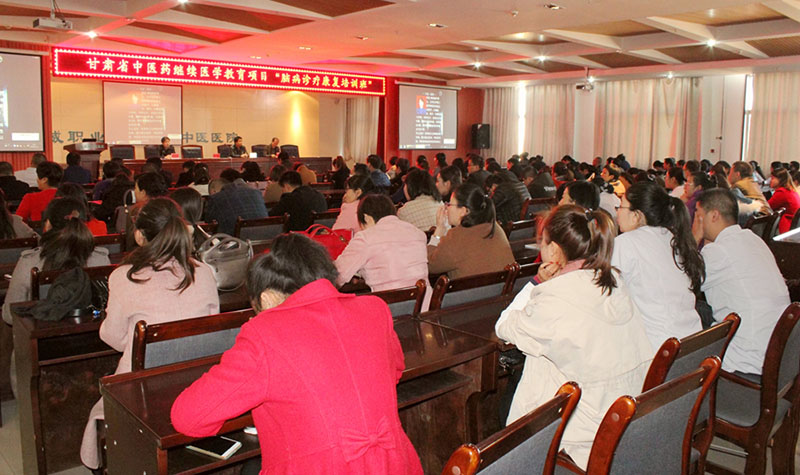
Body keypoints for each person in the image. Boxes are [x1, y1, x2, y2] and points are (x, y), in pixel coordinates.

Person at [170, 233, 423, 474]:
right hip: (394, 463)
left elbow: (188, 418)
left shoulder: (265, 333)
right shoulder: (375, 309)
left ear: (267, 299)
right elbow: (394, 372)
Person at [496, 205, 651, 470]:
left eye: (543, 241)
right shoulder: (612, 280)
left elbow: (504, 325)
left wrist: (536, 283)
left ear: (555, 250)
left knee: (517, 390)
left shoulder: (558, 296)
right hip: (623, 415)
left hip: (582, 430)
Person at [80, 198, 219, 471]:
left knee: (102, 405)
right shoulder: (203, 272)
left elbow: (113, 337)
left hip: (144, 392)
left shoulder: (125, 276)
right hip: (196, 381)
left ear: (140, 235)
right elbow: (211, 325)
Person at [693, 189, 790, 375]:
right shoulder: (753, 239)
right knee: (700, 307)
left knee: (681, 314)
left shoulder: (718, 252)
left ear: (713, 215)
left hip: (745, 358)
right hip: (777, 350)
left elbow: (681, 281)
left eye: (698, 214)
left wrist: (694, 238)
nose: (695, 220)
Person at [612, 182, 705, 350]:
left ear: (636, 215)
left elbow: (607, 296)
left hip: (658, 350)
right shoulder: (671, 238)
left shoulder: (626, 243)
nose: (617, 213)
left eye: (621, 207)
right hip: (691, 344)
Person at [3, 198, 110, 324]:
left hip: (42, 334)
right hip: (90, 333)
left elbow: (9, 315)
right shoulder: (101, 258)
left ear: (48, 224)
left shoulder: (30, 261)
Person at [335, 194, 429, 300]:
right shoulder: (418, 233)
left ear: (366, 218)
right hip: (424, 303)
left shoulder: (366, 238)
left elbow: (337, 276)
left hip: (388, 305)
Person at [428, 183, 514, 279]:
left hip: (472, 289)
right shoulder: (495, 228)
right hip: (502, 287)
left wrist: (438, 232)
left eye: (449, 204)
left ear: (463, 211)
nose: (446, 208)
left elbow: (430, 265)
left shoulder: (456, 236)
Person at [125, 172, 169, 249]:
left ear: (143, 193)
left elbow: (130, 242)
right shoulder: (170, 206)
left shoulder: (137, 211)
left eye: (135, 188)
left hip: (143, 252)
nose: (134, 191)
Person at [768, 168, 800, 234]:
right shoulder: (791, 190)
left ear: (780, 180)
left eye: (773, 178)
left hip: (786, 228)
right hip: (794, 227)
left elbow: (768, 207)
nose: (770, 181)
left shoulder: (782, 192)